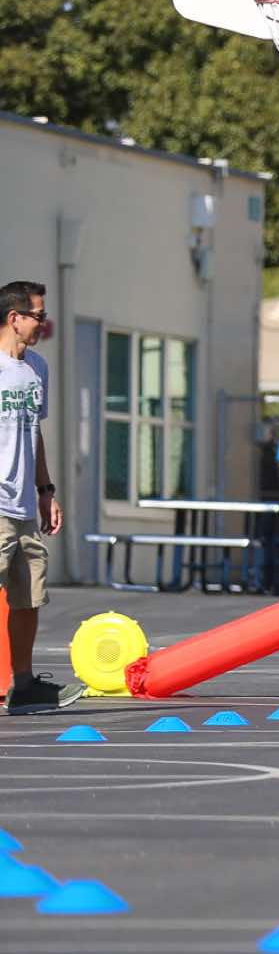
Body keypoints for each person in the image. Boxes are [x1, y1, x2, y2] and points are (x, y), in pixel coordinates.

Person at [1, 281, 79, 714]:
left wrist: (46, 491)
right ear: (14, 318)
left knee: (28, 598)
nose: (43, 325)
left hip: (25, 507)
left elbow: (35, 432)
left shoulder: (37, 369)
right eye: (38, 317)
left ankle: (24, 686)